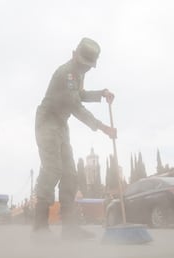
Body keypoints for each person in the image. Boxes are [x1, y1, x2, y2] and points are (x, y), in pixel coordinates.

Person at [33, 37, 116, 240]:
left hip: (61, 124)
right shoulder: (67, 73)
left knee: (70, 174)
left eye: (88, 67)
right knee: (53, 169)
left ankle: (70, 228)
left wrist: (101, 93)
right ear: (74, 55)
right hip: (47, 122)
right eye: (83, 65)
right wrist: (103, 127)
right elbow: (76, 107)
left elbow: (80, 95)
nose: (85, 70)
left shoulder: (77, 74)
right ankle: (40, 226)